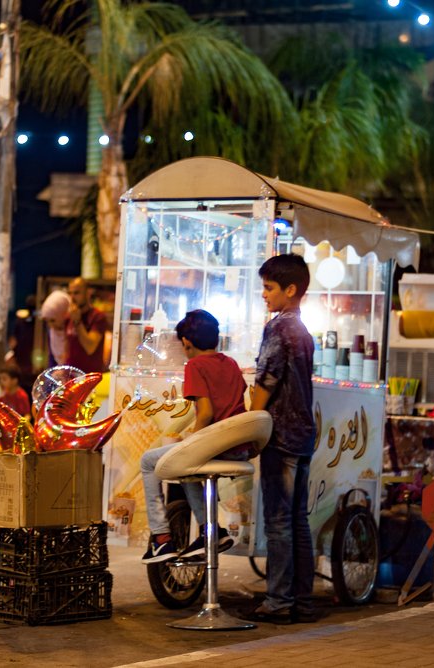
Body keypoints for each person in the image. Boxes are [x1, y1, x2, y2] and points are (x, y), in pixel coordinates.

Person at [241, 254, 316, 625]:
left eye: (269, 288)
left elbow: (265, 381)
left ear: (291, 290)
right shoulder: (302, 330)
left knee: (279, 522)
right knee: (298, 520)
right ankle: (302, 600)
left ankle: (278, 601)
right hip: (303, 435)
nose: (264, 295)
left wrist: (253, 423)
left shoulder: (279, 328)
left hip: (281, 435)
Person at [139, 309, 248, 563]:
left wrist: (191, 441)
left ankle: (161, 538)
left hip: (217, 445)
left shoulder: (195, 366)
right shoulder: (230, 363)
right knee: (183, 463)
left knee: (147, 461)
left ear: (186, 342)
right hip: (239, 446)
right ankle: (210, 530)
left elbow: (207, 413)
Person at [66, 277, 109, 373]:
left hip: (90, 377)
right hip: (71, 376)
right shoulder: (69, 317)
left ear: (88, 293)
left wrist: (77, 322)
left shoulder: (97, 317)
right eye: (70, 293)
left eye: (76, 293)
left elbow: (90, 347)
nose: (72, 297)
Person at [41, 290, 71, 367]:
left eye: (53, 320)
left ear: (64, 314)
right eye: (47, 321)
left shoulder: (73, 331)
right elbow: (51, 359)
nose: (50, 325)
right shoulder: (51, 332)